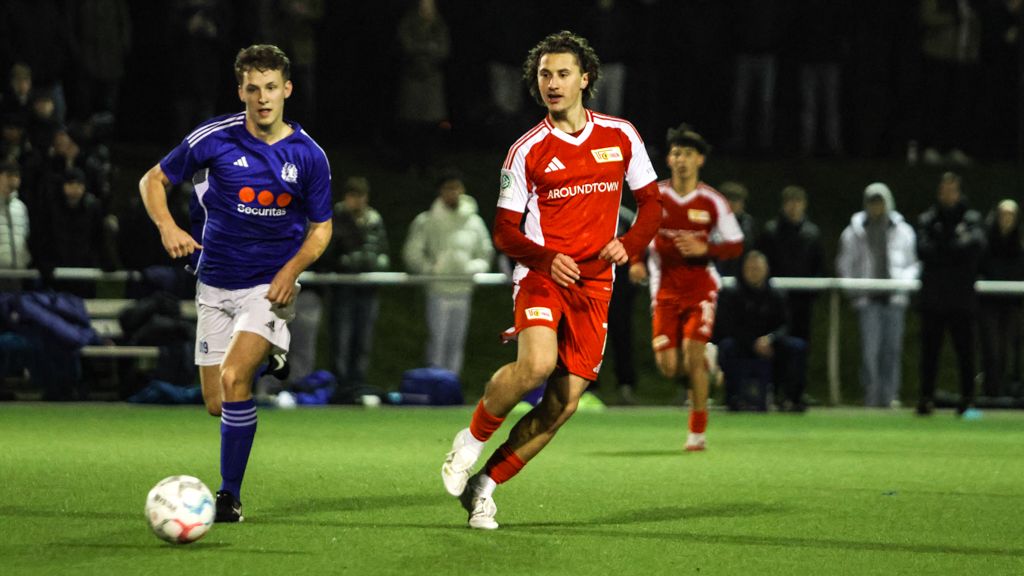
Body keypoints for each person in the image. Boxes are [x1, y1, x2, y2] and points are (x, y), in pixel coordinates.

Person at [439, 31, 662, 530]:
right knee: (537, 364)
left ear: (585, 79)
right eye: (544, 75)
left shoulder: (621, 135)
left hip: (595, 286)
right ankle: (467, 444)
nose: (553, 83)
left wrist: (630, 244)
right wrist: (545, 257)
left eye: (563, 74)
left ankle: (485, 485)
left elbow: (651, 204)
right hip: (541, 276)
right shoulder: (527, 151)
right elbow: (504, 231)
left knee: (563, 407)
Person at [138, 45, 332, 522]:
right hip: (214, 283)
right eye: (253, 88)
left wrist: (290, 272)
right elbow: (152, 180)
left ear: (287, 89)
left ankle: (228, 497)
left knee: (233, 377)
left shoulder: (308, 156)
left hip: (268, 288)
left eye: (271, 88)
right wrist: (168, 227)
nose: (262, 98)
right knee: (216, 402)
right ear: (240, 90)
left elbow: (321, 229)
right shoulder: (214, 138)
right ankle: (271, 358)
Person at [629, 124, 743, 450]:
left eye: (688, 154)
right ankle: (710, 359)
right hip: (663, 290)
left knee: (692, 358)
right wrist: (635, 261)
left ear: (700, 161)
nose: (681, 160)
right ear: (668, 158)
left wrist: (706, 250)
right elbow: (638, 234)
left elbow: (735, 244)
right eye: (676, 153)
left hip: (700, 289)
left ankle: (697, 432)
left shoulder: (712, 202)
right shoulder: (655, 198)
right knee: (668, 367)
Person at [836, 183, 919, 408]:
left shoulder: (904, 230)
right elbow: (845, 264)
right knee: (870, 352)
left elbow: (912, 263)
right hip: (868, 300)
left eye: (880, 201)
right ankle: (871, 396)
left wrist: (904, 284)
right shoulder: (854, 231)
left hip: (894, 299)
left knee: (892, 350)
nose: (876, 206)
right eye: (872, 202)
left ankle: (890, 395)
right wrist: (853, 290)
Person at [403, 167, 493, 376]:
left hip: (463, 290)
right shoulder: (427, 220)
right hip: (438, 289)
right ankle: (434, 382)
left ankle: (451, 384)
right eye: (447, 188)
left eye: (456, 188)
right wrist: (431, 270)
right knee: (437, 339)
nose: (452, 192)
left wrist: (472, 269)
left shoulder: (474, 222)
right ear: (440, 191)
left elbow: (485, 253)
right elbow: (412, 252)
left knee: (457, 341)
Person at [915, 172, 985, 415]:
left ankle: (968, 399)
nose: (947, 195)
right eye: (943, 190)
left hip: (961, 299)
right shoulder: (927, 218)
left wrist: (943, 248)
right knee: (929, 353)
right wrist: (954, 247)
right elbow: (923, 250)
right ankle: (926, 398)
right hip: (933, 299)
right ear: (939, 192)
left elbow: (975, 248)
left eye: (952, 190)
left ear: (958, 192)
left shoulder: (972, 219)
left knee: (966, 352)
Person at [715, 250, 807, 411]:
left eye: (757, 268)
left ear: (766, 269)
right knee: (727, 347)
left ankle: (791, 398)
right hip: (743, 344)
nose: (754, 272)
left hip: (771, 345)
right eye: (750, 268)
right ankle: (733, 397)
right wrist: (752, 342)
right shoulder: (732, 295)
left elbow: (785, 325)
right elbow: (729, 326)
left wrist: (770, 339)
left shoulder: (776, 294)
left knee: (797, 347)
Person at [328, 176, 389, 395]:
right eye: (353, 196)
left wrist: (371, 262)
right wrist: (351, 260)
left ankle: (357, 384)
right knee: (341, 340)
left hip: (368, 289)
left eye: (361, 196)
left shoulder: (374, 219)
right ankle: (340, 386)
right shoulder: (336, 217)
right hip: (343, 288)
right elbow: (332, 252)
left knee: (363, 340)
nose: (357, 201)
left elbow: (382, 250)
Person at [756, 185, 825, 345]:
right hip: (774, 299)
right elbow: (761, 261)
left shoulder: (812, 233)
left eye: (797, 202)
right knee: (774, 342)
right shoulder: (770, 231)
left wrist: (813, 291)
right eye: (790, 202)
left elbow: (819, 265)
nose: (794, 207)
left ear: (804, 204)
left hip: (803, 301)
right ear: (783, 205)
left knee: (801, 343)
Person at [978, 199, 1024, 398]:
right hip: (989, 304)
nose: (1006, 219)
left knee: (1007, 351)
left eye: (1011, 215)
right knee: (991, 349)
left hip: (1012, 304)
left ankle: (1004, 393)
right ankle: (990, 392)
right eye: (1003, 214)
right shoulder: (986, 243)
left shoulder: (1020, 246)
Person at [715, 180, 756, 278]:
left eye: (736, 200)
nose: (731, 203)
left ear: (742, 203)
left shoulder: (749, 224)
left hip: (742, 277)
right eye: (727, 199)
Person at [0, 161, 30, 292]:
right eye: (9, 175)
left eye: (17, 176)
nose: (13, 179)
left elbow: (26, 235)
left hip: (17, 273)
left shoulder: (21, 207)